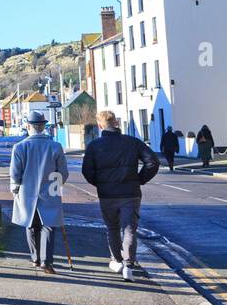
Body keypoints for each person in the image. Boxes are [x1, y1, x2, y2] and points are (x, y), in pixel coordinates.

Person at [82, 110, 160, 281]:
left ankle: (116, 261)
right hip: (130, 193)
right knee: (130, 229)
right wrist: (140, 179)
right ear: (116, 123)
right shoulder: (133, 142)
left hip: (107, 195)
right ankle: (129, 266)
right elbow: (153, 162)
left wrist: (101, 184)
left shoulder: (94, 146)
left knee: (112, 228)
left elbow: (87, 171)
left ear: (100, 125)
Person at [9, 110, 69, 273]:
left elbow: (15, 174)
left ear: (28, 126)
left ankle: (35, 258)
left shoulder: (20, 147)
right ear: (43, 126)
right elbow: (63, 173)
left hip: (26, 192)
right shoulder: (55, 146)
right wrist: (56, 187)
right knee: (49, 225)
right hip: (50, 191)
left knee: (30, 225)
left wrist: (15, 189)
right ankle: (46, 261)